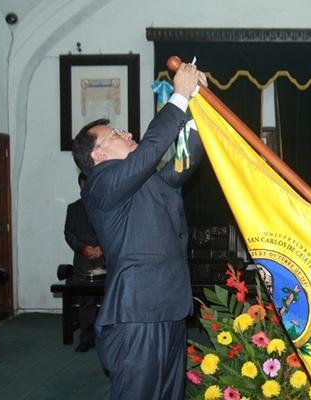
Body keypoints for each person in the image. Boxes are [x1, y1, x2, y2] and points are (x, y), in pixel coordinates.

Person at [71, 62, 206, 400]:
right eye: (116, 134)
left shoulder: (141, 179)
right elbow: (149, 150)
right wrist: (177, 95)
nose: (127, 134)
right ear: (97, 154)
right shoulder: (101, 185)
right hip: (137, 315)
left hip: (168, 308)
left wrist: (197, 101)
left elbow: (181, 163)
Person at [64, 172, 104, 352]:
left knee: (109, 300)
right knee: (86, 302)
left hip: (106, 259)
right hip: (83, 261)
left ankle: (107, 338)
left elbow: (115, 230)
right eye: (84, 185)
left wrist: (102, 248)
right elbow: (69, 234)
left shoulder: (107, 205)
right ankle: (86, 339)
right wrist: (84, 248)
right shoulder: (73, 208)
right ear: (80, 185)